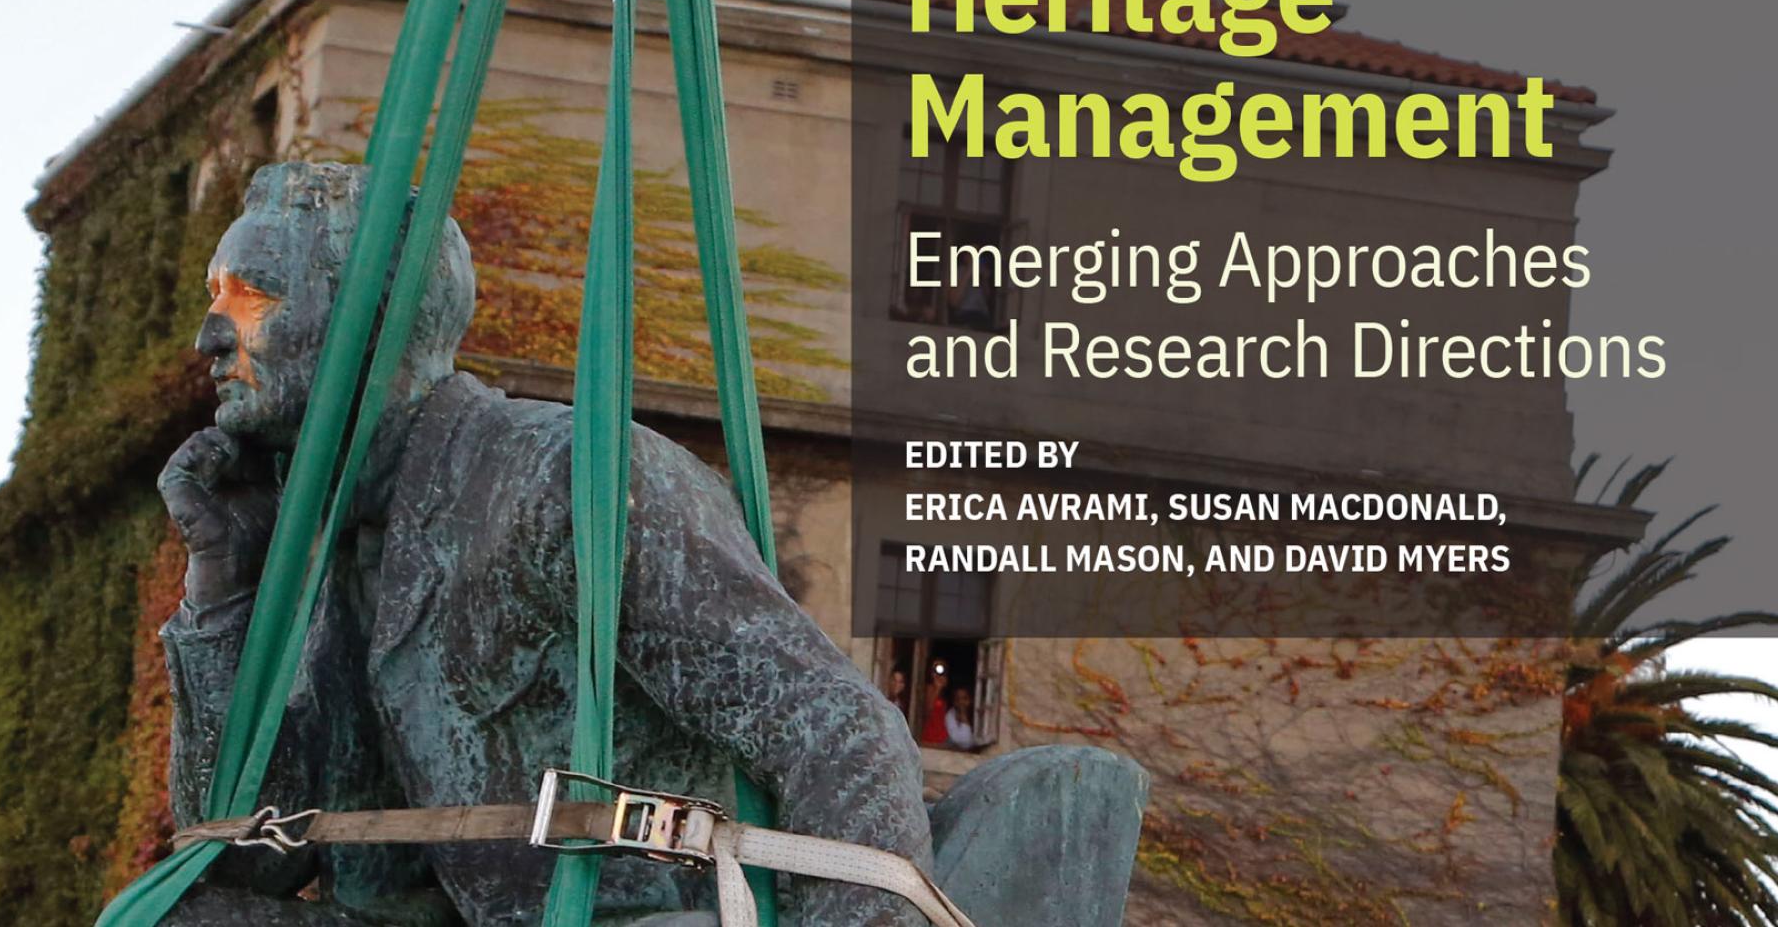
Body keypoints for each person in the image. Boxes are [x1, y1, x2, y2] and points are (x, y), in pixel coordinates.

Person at [154, 163, 1149, 926]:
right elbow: (245, 855)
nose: (209, 331)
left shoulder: (564, 477)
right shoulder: (330, 546)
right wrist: (224, 588)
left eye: (252, 295)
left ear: (375, 312)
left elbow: (836, 729)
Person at [919, 662, 950, 746]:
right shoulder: (929, 689)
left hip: (942, 737)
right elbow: (927, 711)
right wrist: (937, 688)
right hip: (929, 736)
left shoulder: (945, 694)